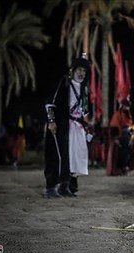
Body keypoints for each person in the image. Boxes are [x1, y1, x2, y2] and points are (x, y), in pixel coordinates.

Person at [43, 54, 93, 198]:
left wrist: (88, 124)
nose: (81, 73)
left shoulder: (84, 89)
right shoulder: (64, 83)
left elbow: (84, 111)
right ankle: (51, 188)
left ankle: (66, 186)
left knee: (74, 158)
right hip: (62, 125)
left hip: (77, 128)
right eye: (79, 70)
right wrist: (51, 121)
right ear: (73, 70)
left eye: (84, 71)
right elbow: (50, 103)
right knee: (58, 155)